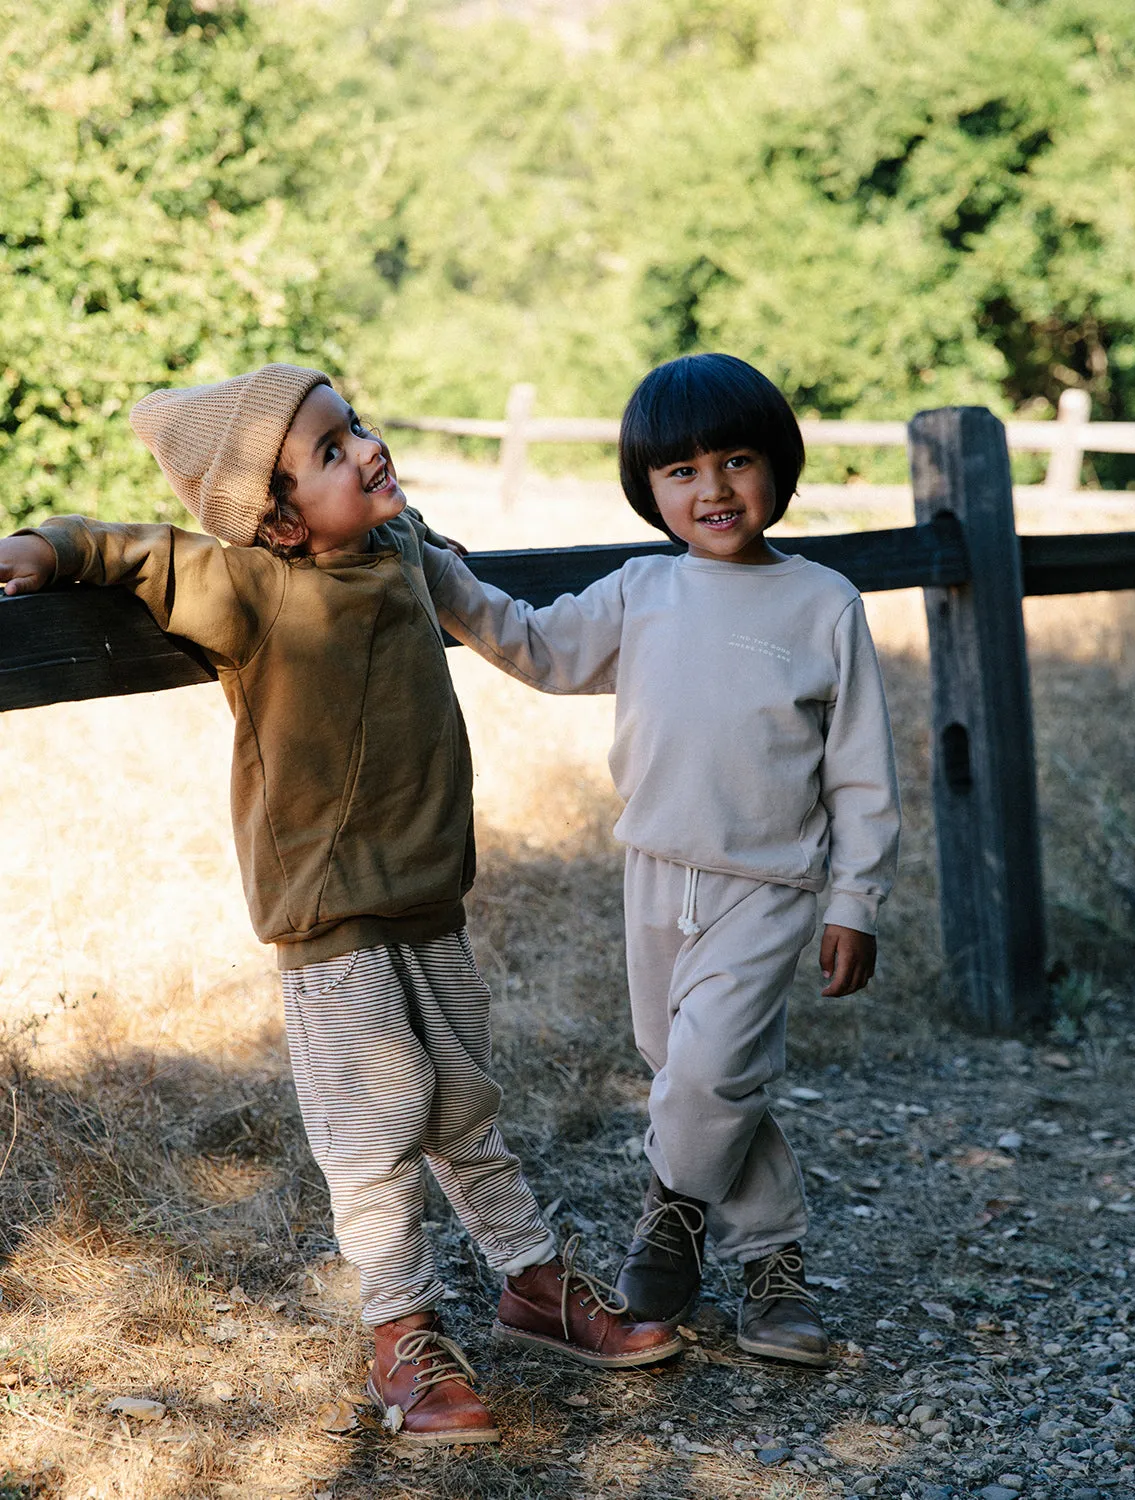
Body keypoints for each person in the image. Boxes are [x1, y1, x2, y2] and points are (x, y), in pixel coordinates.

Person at [0, 364, 681, 1445]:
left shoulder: (405, 550)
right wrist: (40, 550)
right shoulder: (251, 590)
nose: (364, 447)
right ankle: (399, 1333)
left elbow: (483, 601)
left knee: (463, 1101)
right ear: (271, 518)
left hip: (428, 896)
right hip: (329, 913)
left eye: (352, 425)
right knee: (373, 1128)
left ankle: (535, 1286)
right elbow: (129, 550)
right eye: (329, 451)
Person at [424, 352, 901, 1368]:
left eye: (736, 461)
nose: (714, 488)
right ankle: (774, 1274)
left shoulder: (823, 604)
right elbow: (538, 646)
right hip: (651, 874)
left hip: (767, 885)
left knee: (711, 1074)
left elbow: (863, 774)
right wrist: (438, 573)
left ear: (780, 466)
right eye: (682, 472)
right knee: (697, 1080)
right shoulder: (641, 590)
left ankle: (669, 1220)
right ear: (648, 490)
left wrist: (855, 899)